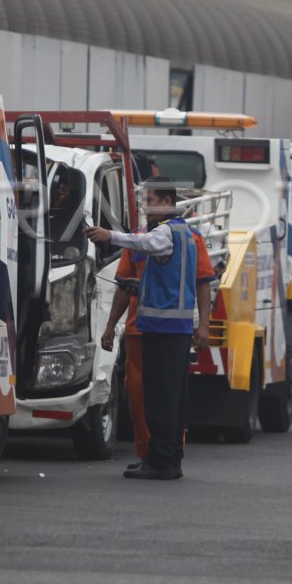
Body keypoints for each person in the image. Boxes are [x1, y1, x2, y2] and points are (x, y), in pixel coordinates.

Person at [87, 177, 211, 480]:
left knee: (160, 399)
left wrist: (109, 235)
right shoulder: (186, 234)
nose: (145, 206)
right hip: (171, 329)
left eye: (151, 200)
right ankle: (163, 457)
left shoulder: (166, 232)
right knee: (167, 397)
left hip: (162, 329)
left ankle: (162, 462)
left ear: (168, 203)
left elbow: (144, 243)